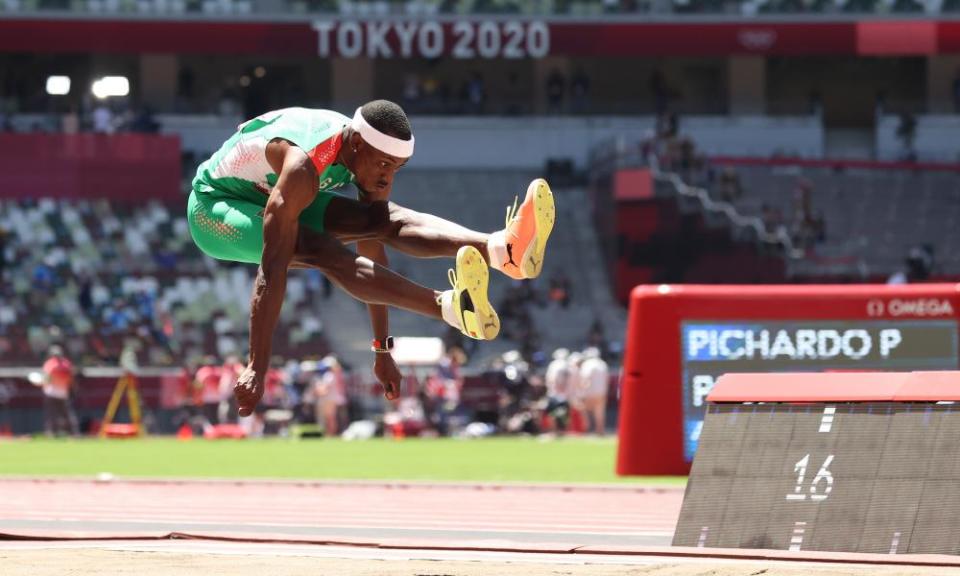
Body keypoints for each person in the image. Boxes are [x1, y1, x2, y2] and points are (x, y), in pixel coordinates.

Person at [187, 100, 556, 417]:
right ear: (358, 145)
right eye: (383, 165)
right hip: (214, 207)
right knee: (320, 250)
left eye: (397, 168)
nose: (386, 179)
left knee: (383, 219)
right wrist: (257, 366)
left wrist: (382, 349)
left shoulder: (355, 149)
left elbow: (373, 244)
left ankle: (501, 250)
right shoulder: (302, 166)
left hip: (266, 189)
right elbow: (271, 270)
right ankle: (448, 306)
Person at [38, 345, 79, 436]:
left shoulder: (49, 364)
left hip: (51, 393)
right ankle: (73, 433)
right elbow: (71, 379)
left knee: (52, 415)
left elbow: (46, 378)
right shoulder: (66, 364)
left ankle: (51, 433)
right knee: (67, 414)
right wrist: (73, 389)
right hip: (62, 394)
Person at [577, 347, 610, 435]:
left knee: (583, 409)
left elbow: (586, 379)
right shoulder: (602, 364)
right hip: (601, 392)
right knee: (599, 412)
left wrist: (581, 392)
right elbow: (607, 379)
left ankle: (586, 429)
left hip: (590, 392)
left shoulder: (587, 364)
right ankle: (600, 430)